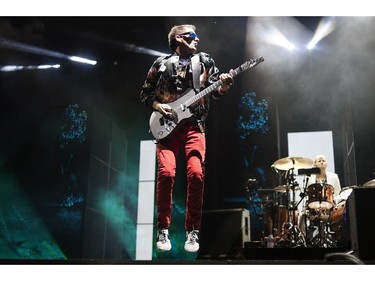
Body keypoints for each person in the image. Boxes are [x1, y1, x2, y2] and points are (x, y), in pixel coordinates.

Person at [139, 24, 234, 253]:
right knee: (167, 173)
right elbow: (145, 93)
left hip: (194, 126)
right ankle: (163, 229)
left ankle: (193, 231)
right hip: (167, 128)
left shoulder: (204, 61)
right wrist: (158, 105)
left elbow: (215, 90)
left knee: (197, 174)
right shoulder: (160, 63)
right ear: (179, 38)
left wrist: (224, 87)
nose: (197, 39)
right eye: (192, 36)